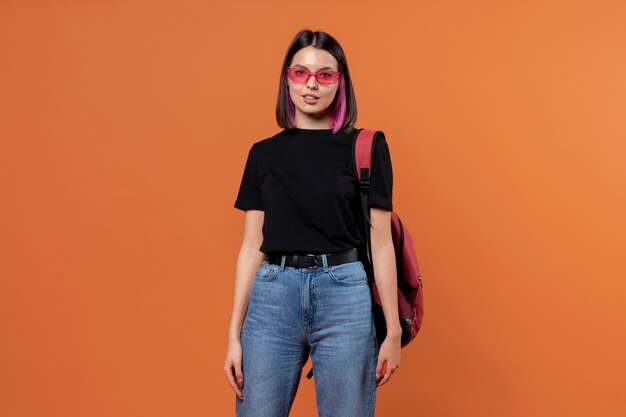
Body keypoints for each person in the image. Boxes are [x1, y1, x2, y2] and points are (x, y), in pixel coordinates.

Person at [223, 29, 401, 417]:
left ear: (340, 82)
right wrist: (233, 336)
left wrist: (393, 330)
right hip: (273, 296)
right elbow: (251, 247)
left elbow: (383, 244)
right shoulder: (263, 155)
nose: (311, 84)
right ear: (287, 79)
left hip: (345, 295)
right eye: (301, 73)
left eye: (324, 74)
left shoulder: (367, 148)